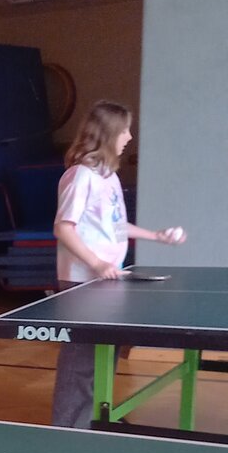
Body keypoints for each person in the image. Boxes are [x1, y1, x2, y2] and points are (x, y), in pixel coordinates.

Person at [51, 101, 186, 428]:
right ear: (109, 132)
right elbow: (63, 227)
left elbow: (115, 225)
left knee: (104, 355)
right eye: (124, 130)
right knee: (82, 360)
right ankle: (70, 428)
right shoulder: (80, 176)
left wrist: (156, 235)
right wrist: (97, 263)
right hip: (82, 282)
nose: (129, 136)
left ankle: (94, 416)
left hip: (105, 279)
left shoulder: (107, 176)